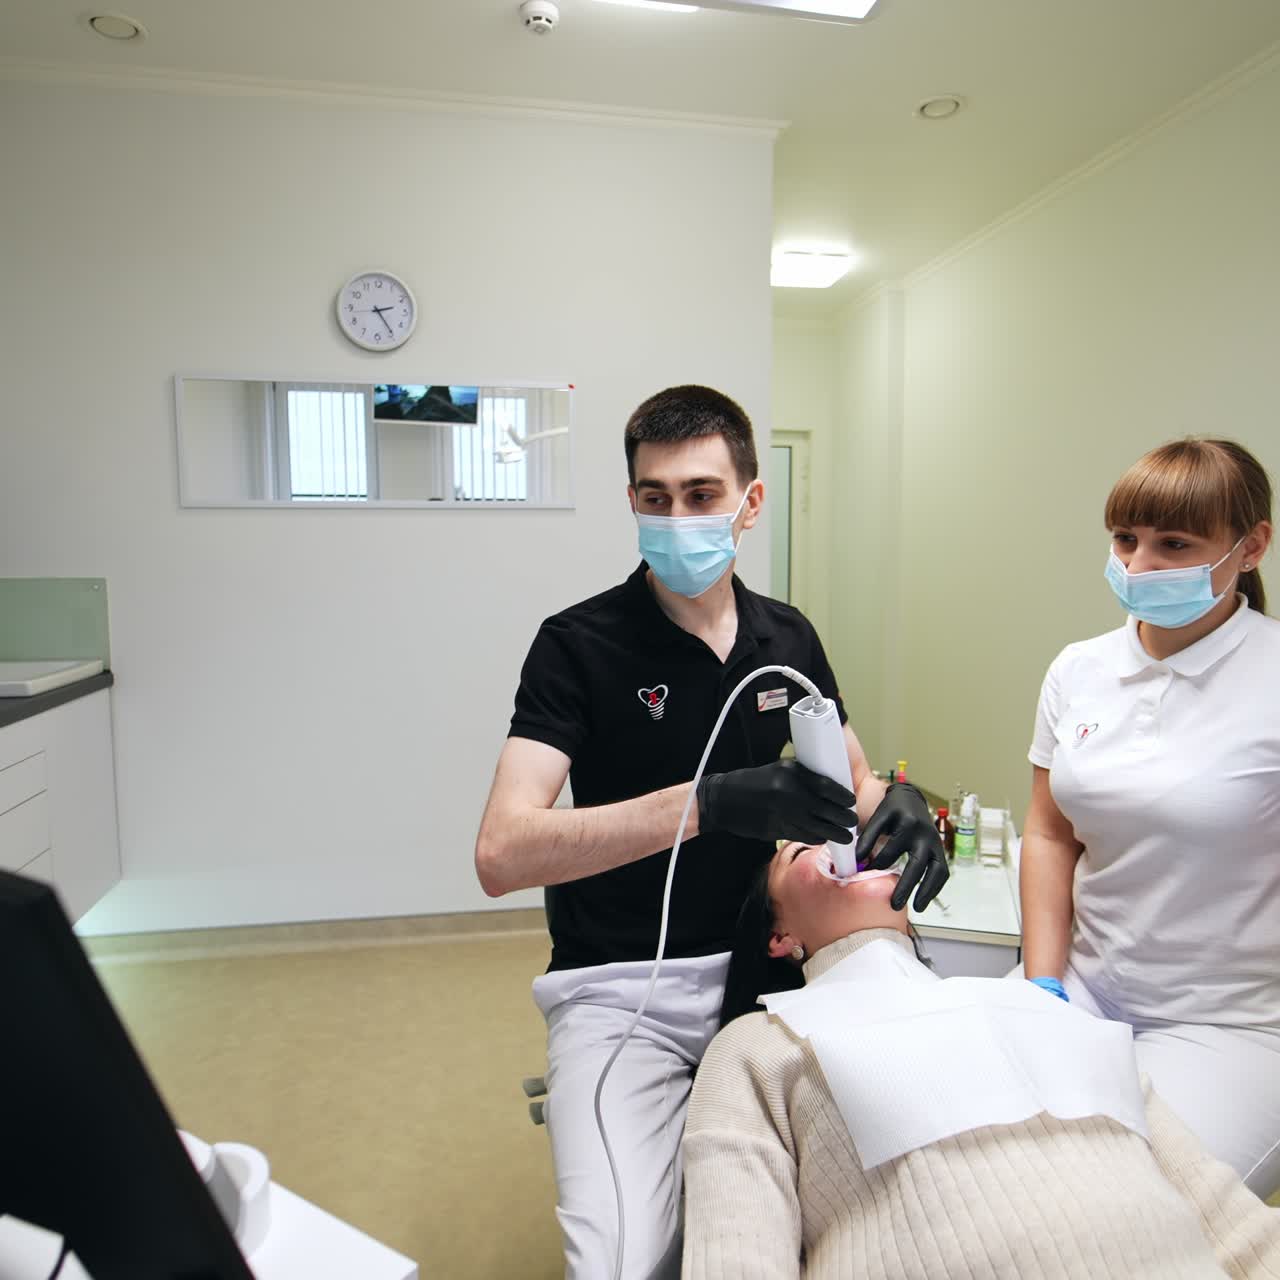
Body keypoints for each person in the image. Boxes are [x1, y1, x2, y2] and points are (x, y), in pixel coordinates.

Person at [474, 385, 948, 1278]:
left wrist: (901, 801)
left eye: (700, 494)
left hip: (780, 973)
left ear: (750, 503)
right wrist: (707, 805)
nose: (677, 515)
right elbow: (502, 852)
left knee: (877, 1210)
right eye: (655, 497)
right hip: (626, 991)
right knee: (626, 1260)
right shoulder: (578, 645)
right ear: (632, 503)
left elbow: (854, 778)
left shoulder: (788, 638)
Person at [682, 841, 1280, 1279]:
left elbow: (1231, 1221)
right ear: (779, 937)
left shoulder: (1037, 1008)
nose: (845, 845)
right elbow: (735, 1255)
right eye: (804, 850)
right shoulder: (760, 1045)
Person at [1019, 437, 1279, 1197]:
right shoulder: (1080, 669)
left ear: (1251, 546)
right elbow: (1049, 832)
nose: (1136, 565)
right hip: (1083, 991)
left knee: (1123, 1201)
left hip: (1230, 1028)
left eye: (1173, 545)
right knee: (981, 1164)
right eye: (1125, 539)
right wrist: (1042, 984)